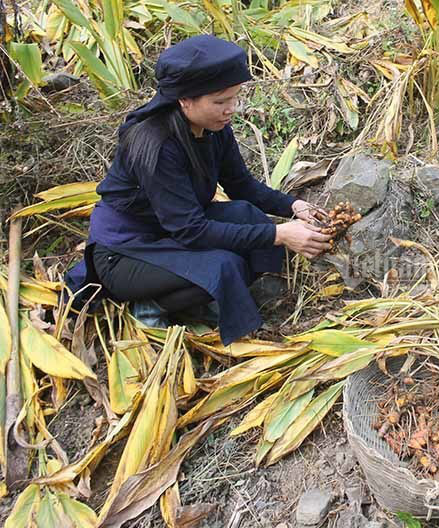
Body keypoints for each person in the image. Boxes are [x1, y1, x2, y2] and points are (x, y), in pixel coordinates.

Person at [65, 35, 331, 345]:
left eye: (234, 97)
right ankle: (151, 307)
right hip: (126, 252)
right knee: (224, 266)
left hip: (171, 230)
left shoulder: (214, 127)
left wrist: (294, 207)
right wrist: (282, 234)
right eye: (220, 101)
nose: (230, 109)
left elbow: (240, 186)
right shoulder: (158, 144)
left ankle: (204, 297)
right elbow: (191, 231)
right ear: (184, 99)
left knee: (249, 217)